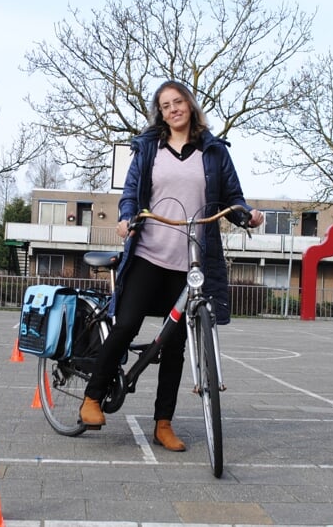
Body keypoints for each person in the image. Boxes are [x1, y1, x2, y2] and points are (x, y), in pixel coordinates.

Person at [79, 80, 264, 451]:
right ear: (160, 113)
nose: (173, 109)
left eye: (178, 101)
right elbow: (131, 192)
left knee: (175, 345)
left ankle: (163, 423)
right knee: (127, 324)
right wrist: (126, 217)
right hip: (149, 252)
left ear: (190, 105)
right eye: (165, 105)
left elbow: (233, 197)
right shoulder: (148, 147)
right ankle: (92, 398)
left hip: (191, 261)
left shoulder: (213, 151)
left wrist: (248, 217)